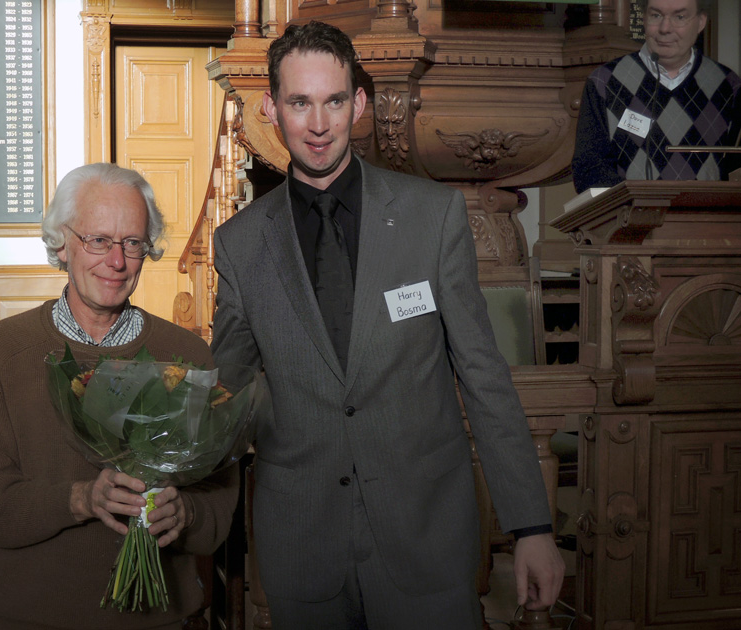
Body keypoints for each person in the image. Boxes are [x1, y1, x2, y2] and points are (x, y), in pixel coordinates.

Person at [209, 20, 565, 630]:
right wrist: (159, 460)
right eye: (299, 103)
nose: (318, 125)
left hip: (425, 538)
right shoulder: (239, 244)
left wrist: (530, 524)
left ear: (361, 103)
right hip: (303, 547)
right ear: (271, 108)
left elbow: (484, 377)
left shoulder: (434, 217)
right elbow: (223, 393)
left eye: (334, 101)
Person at [0, 163, 238, 629]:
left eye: (132, 243)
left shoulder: (186, 356)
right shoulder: (1, 352)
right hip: (27, 616)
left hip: (157, 619)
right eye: (98, 240)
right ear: (62, 243)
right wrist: (83, 498)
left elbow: (218, 507)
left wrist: (184, 512)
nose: (117, 261)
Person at [572, 0, 741, 193]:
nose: (665, 28)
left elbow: (734, 169)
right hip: (632, 220)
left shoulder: (729, 86)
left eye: (680, 17)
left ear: (701, 22)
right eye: (656, 15)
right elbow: (588, 170)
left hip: (704, 220)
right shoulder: (604, 82)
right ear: (643, 18)